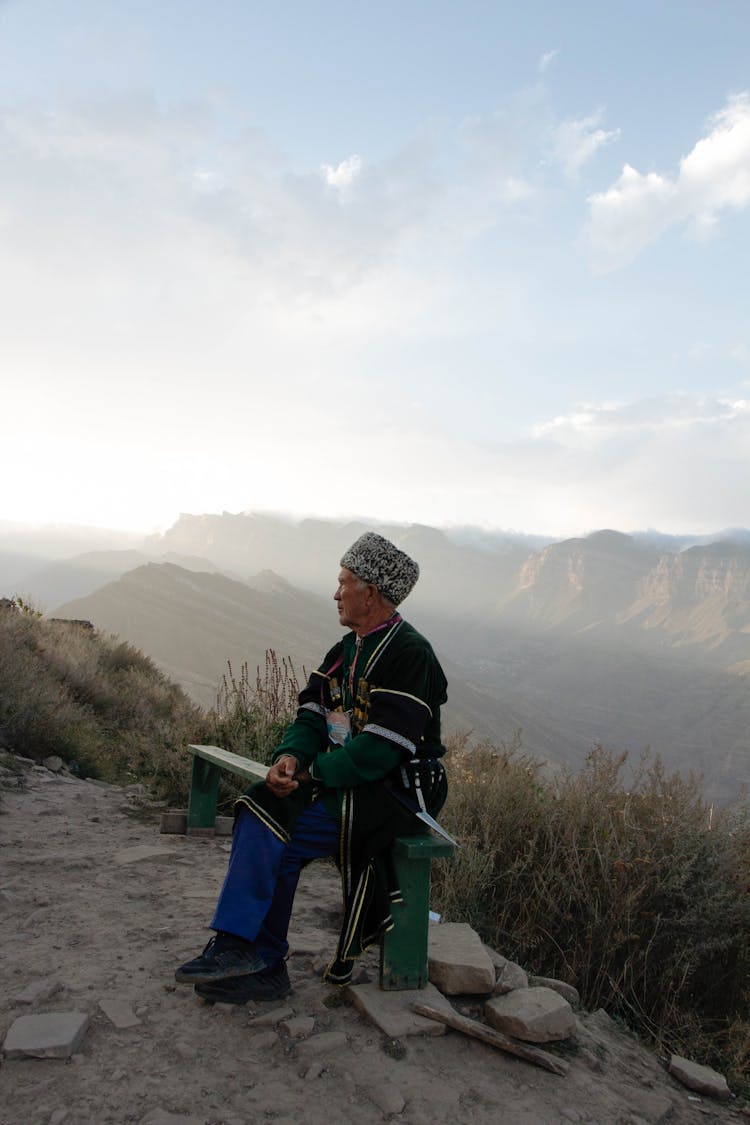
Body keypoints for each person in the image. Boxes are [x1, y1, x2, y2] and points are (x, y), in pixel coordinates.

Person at [175, 531, 449, 1004]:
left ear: (372, 592)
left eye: (344, 583)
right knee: (261, 802)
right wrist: (290, 757)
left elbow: (382, 750)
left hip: (396, 791)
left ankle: (255, 954)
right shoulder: (346, 649)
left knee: (280, 832)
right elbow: (312, 714)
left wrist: (311, 775)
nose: (336, 593)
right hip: (345, 779)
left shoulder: (410, 653)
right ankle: (249, 951)